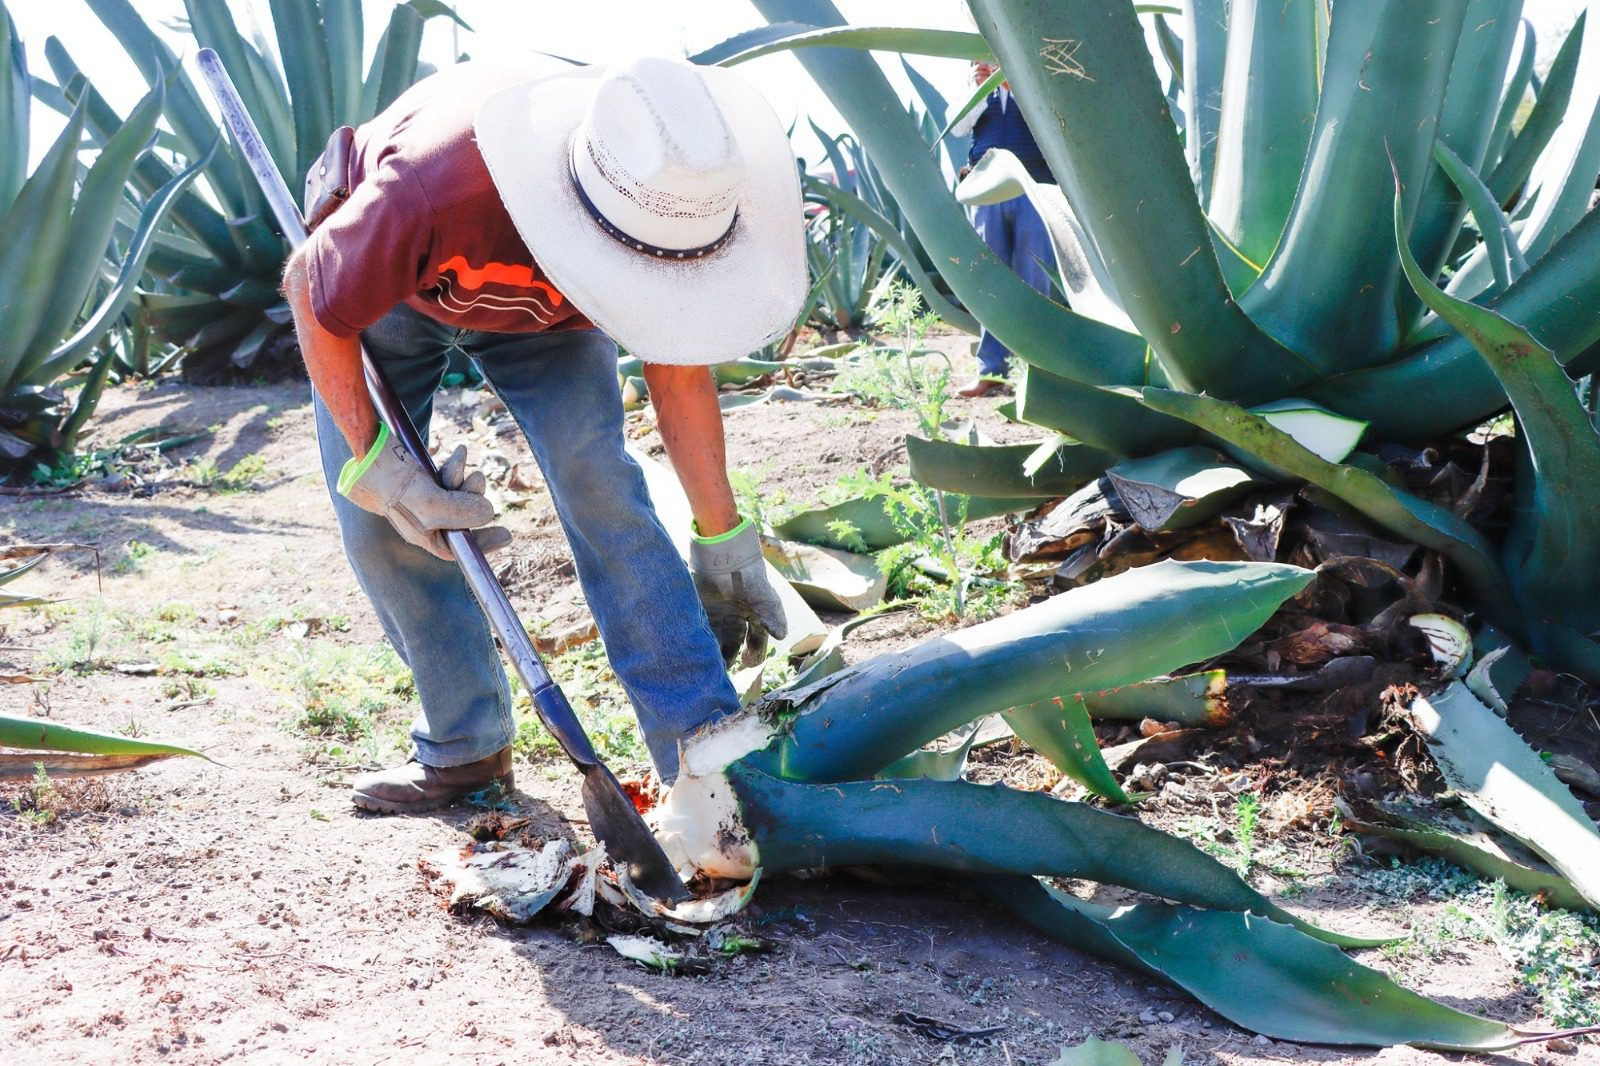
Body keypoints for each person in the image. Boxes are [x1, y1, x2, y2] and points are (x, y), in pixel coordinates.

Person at [280, 56, 805, 813]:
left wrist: (723, 537)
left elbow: (679, 376)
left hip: (553, 316)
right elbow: (310, 288)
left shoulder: (681, 196)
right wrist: (380, 466)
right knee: (382, 521)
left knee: (603, 485)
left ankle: (704, 754)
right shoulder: (435, 186)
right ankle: (465, 752)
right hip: (397, 295)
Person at [951, 61, 1057, 398]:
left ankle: (1036, 370)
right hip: (986, 189)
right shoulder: (975, 89)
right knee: (989, 280)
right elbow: (957, 126)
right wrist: (977, 90)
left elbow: (1053, 121)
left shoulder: (1036, 77)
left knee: (1035, 277)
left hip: (1034, 187)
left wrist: (1018, 87)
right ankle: (991, 371)